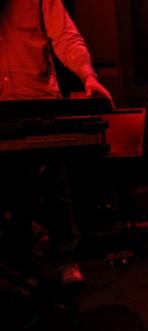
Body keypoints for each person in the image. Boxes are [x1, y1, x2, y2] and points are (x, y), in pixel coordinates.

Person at [0, 0, 112, 286]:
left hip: (39, 101)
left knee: (55, 188)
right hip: (3, 108)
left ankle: (67, 260)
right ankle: (23, 268)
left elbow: (65, 36)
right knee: (11, 192)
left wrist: (88, 76)